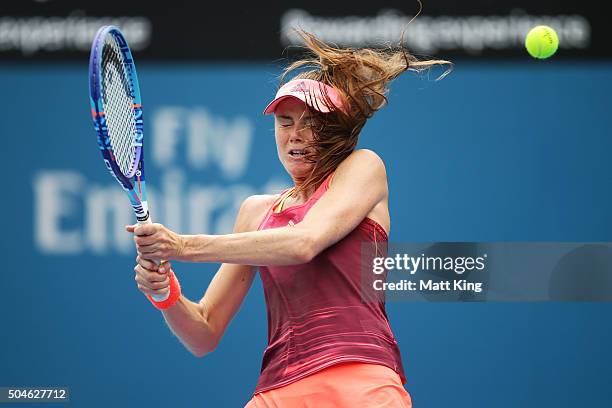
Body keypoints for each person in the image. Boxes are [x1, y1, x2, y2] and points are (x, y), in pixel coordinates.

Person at [126, 30, 450, 407]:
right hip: (278, 391)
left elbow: (304, 243)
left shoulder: (364, 167)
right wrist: (166, 293)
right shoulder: (255, 211)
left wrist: (182, 245)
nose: (295, 134)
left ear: (336, 130)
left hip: (361, 382)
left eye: (311, 121)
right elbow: (204, 332)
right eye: (284, 121)